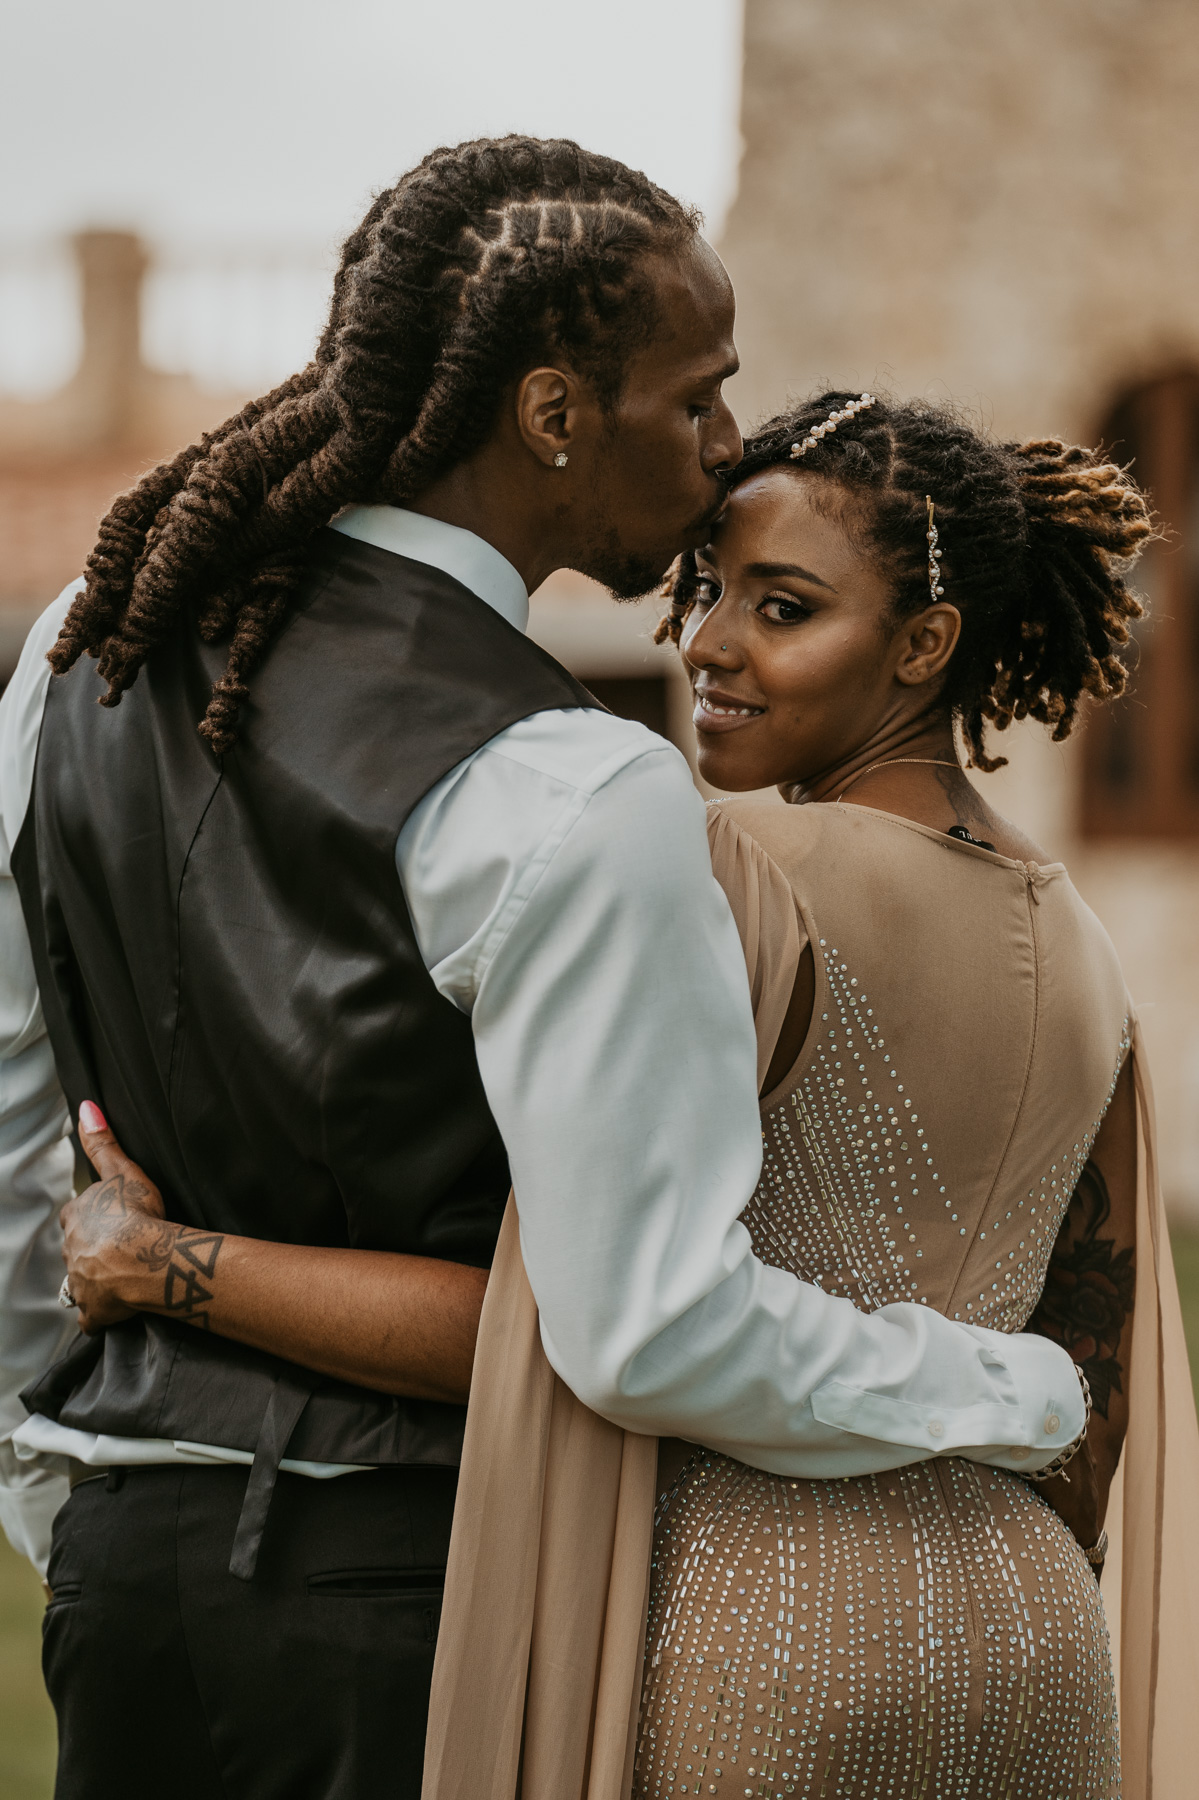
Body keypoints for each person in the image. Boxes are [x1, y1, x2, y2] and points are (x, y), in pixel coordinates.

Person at [0, 139, 1085, 1800]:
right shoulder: (574, 782)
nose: (732, 446)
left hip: (119, 1585)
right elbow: (648, 1331)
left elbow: (21, 1112)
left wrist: (67, 1476)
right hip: (423, 1609)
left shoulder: (86, 638)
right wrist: (1012, 1387)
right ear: (558, 413)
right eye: (701, 396)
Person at [428, 391, 1199, 1800]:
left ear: (924, 645)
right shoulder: (1089, 952)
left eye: (781, 610)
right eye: (711, 589)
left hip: (761, 1629)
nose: (710, 642)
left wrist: (191, 1273)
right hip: (1037, 1634)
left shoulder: (714, 874)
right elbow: (1098, 1387)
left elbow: (566, 1305)